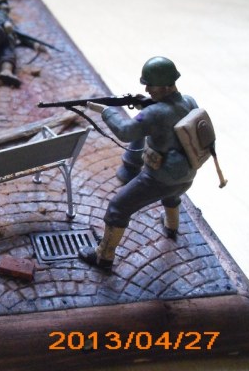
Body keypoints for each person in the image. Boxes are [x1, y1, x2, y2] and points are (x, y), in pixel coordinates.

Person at [78, 56, 198, 271]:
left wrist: (106, 111)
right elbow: (172, 118)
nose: (147, 89)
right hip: (187, 175)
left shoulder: (153, 113)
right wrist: (148, 105)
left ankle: (103, 257)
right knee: (172, 195)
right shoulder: (189, 101)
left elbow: (125, 132)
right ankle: (172, 226)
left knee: (117, 208)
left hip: (159, 179)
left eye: (150, 85)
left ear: (164, 85)